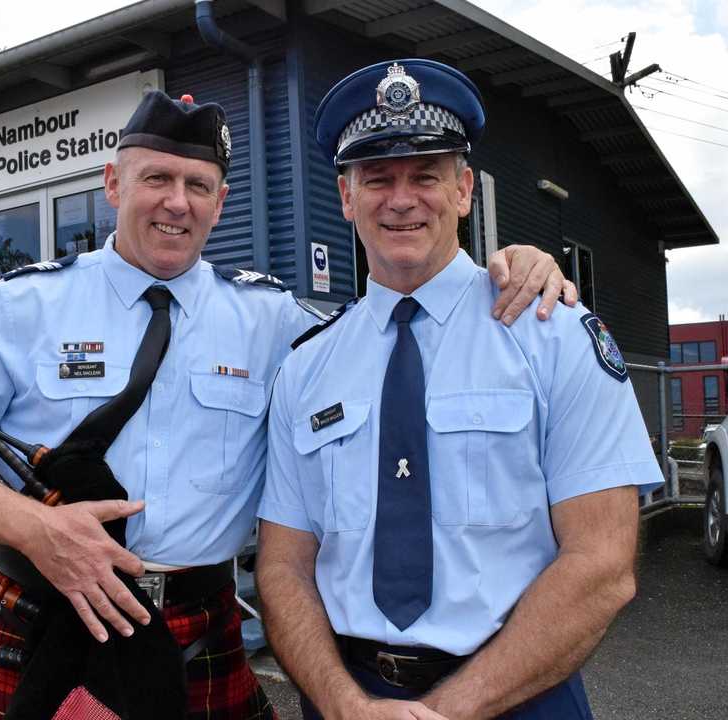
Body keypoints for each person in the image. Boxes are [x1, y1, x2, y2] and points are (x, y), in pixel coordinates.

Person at [0, 89, 571, 719]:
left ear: (221, 200)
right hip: (42, 612)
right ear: (113, 184)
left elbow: (395, 327)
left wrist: (512, 267)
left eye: (197, 185)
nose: (177, 202)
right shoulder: (25, 305)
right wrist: (36, 530)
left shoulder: (274, 320)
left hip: (197, 625)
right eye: (157, 178)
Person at [256, 59, 663, 720]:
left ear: (466, 189)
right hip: (347, 699)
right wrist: (341, 705)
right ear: (345, 198)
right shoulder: (305, 367)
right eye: (377, 178)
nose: (402, 198)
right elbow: (283, 569)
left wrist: (452, 709)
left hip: (519, 694)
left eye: (426, 175)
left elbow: (602, 564)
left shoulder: (551, 334)